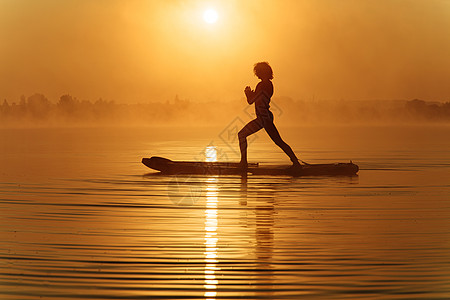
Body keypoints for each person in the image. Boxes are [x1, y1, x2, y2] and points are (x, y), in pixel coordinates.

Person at [238, 62, 302, 169]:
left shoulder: (262, 85)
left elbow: (251, 101)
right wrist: (251, 94)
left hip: (264, 118)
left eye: (258, 72)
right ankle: (295, 162)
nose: (256, 74)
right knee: (278, 141)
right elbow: (256, 99)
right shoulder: (268, 84)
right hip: (264, 117)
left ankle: (243, 162)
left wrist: (248, 93)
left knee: (243, 135)